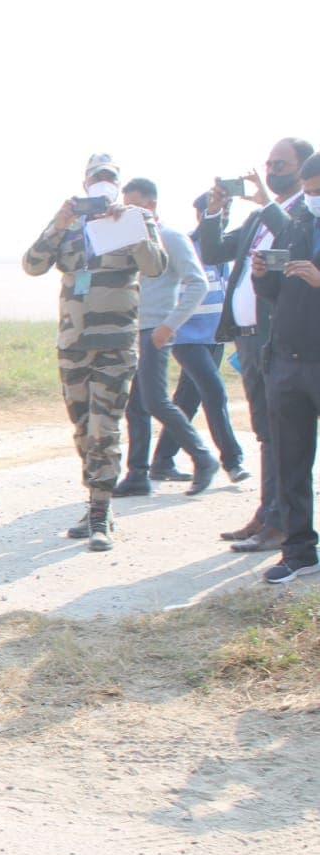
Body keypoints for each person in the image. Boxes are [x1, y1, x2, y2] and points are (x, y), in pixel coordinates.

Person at [23, 153, 166, 550]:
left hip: (116, 343)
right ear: (85, 182)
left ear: (117, 184)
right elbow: (32, 265)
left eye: (109, 177)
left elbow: (155, 266)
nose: (102, 182)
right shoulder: (69, 226)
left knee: (106, 428)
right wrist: (59, 222)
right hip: (73, 343)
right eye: (96, 176)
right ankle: (94, 502)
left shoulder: (136, 219)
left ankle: (102, 511)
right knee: (84, 429)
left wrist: (132, 228)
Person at [196, 137, 315, 552]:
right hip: (248, 339)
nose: (270, 170)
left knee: (288, 436)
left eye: (281, 164)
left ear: (303, 170)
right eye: (268, 163)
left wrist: (267, 203)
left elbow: (298, 248)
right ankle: (269, 514)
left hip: (283, 339)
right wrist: (214, 211)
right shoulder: (256, 219)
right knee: (267, 432)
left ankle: (283, 522)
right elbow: (213, 250)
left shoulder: (302, 212)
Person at [114, 177, 223, 497]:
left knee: (156, 401)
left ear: (151, 205)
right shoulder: (127, 242)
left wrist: (170, 325)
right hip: (132, 331)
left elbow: (198, 283)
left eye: (133, 205)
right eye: (124, 206)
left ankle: (203, 457)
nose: (126, 212)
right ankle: (137, 475)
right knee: (135, 407)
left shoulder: (171, 238)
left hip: (156, 331)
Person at [252, 152, 320, 583]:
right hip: (288, 363)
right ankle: (299, 550)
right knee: (291, 462)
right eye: (309, 192)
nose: (311, 200)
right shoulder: (299, 225)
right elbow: (278, 293)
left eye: (318, 192)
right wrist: (263, 275)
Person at [148, 192, 242, 482]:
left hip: (214, 336)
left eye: (227, 211)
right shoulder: (186, 244)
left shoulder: (223, 249)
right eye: (217, 210)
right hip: (187, 336)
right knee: (215, 392)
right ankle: (232, 461)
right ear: (200, 213)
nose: (223, 216)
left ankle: (162, 462)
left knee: (187, 400)